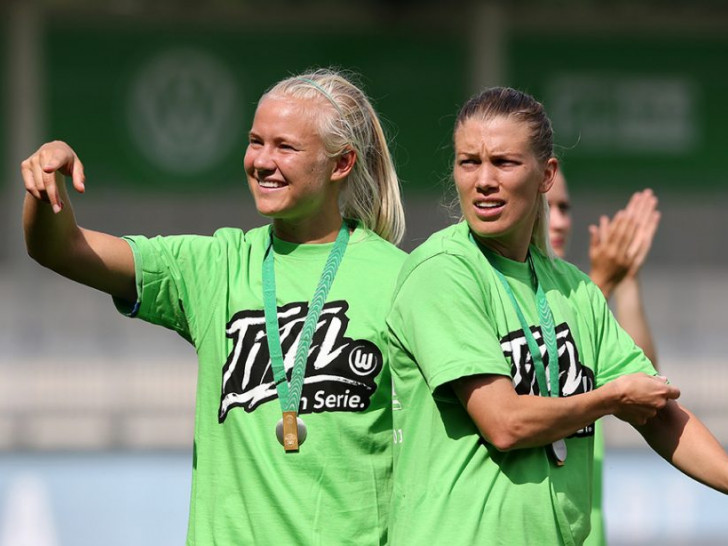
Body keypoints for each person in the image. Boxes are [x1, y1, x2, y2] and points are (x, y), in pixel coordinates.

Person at [22, 69, 407, 545]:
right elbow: (61, 249)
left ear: (342, 163)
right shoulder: (213, 265)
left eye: (285, 147)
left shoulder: (402, 280)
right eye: (255, 141)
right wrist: (44, 190)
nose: (262, 162)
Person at [386, 86, 728, 545]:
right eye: (469, 162)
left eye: (504, 162)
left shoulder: (574, 287)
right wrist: (608, 399)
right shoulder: (442, 272)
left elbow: (659, 414)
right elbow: (504, 423)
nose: (483, 179)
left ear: (546, 175)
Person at [548, 170, 661, 546]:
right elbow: (550, 364)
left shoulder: (577, 289)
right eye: (548, 206)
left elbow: (646, 379)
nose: (560, 219)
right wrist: (603, 281)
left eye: (565, 207)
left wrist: (626, 278)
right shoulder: (488, 287)